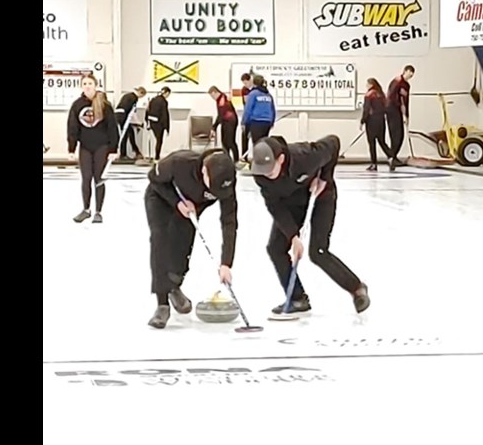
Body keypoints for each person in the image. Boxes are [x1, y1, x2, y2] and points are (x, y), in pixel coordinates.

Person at [250, 135, 370, 316]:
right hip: (291, 205)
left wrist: (325, 178)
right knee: (275, 248)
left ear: (281, 159)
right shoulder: (260, 175)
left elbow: (334, 142)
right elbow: (275, 206)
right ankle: (297, 298)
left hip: (320, 197)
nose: (266, 174)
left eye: (270, 169)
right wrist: (293, 237)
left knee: (318, 252)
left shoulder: (304, 156)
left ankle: (356, 288)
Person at [143, 149, 239, 329]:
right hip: (161, 199)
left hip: (191, 209)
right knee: (160, 240)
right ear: (204, 171)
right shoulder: (179, 163)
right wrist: (177, 202)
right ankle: (162, 303)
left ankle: (174, 286)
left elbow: (229, 221)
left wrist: (226, 263)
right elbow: (153, 178)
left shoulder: (226, 180)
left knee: (183, 246)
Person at [67, 74, 119, 224]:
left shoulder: (104, 105)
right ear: (82, 86)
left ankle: (98, 211)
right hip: (85, 146)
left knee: (99, 178)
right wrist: (71, 148)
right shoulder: (77, 105)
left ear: (95, 85)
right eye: (85, 83)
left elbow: (112, 128)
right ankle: (86, 209)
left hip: (101, 146)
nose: (87, 86)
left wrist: (113, 149)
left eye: (90, 83)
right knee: (86, 178)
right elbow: (72, 127)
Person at [385, 65, 414, 171]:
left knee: (400, 135)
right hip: (391, 110)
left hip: (398, 111)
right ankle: (392, 157)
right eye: (410, 72)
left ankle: (393, 157)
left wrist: (406, 115)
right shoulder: (396, 82)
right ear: (405, 71)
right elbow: (390, 97)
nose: (411, 75)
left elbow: (406, 101)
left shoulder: (406, 85)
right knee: (395, 135)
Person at [360, 78, 391, 171]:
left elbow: (366, 110)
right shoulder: (381, 94)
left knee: (372, 143)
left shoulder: (369, 95)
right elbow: (386, 107)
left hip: (371, 122)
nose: (366, 86)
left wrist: (362, 121)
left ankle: (374, 164)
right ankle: (391, 156)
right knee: (382, 141)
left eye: (367, 84)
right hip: (381, 121)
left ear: (371, 85)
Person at [242, 75, 276, 148]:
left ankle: (258, 158)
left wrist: (244, 122)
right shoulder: (268, 95)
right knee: (264, 143)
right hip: (267, 122)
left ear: (254, 83)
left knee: (257, 144)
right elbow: (273, 109)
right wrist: (272, 122)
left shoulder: (253, 94)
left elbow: (248, 109)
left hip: (256, 122)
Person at [209, 86, 240, 164]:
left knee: (230, 142)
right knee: (224, 142)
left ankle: (236, 160)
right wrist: (215, 127)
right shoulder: (220, 99)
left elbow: (221, 114)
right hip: (225, 121)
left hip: (230, 122)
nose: (213, 98)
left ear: (215, 92)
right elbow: (220, 115)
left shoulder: (222, 100)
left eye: (212, 96)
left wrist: (214, 127)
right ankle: (227, 159)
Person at [115, 86, 147, 161]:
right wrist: (138, 123)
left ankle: (134, 151)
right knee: (125, 135)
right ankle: (125, 154)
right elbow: (132, 112)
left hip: (118, 115)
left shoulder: (126, 95)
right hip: (123, 116)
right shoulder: (134, 98)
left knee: (128, 133)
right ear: (140, 93)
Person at [146, 87, 172, 160]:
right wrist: (166, 127)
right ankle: (157, 156)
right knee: (159, 141)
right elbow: (164, 114)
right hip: (159, 123)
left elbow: (147, 110)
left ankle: (154, 155)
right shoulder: (164, 102)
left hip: (151, 122)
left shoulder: (153, 99)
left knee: (156, 139)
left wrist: (147, 122)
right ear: (166, 93)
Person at [238, 73, 253, 164]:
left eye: (246, 83)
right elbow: (246, 102)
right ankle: (244, 156)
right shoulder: (244, 90)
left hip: (255, 117)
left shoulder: (255, 89)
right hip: (247, 116)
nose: (245, 85)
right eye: (244, 83)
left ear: (250, 80)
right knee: (245, 136)